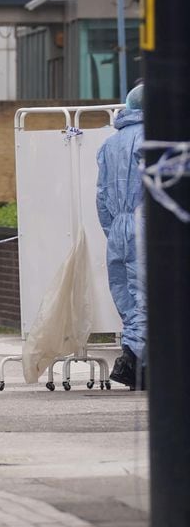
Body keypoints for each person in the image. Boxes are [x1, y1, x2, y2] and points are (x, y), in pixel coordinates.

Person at [95, 83, 147, 390]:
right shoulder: (156, 140)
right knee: (150, 297)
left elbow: (102, 197)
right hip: (150, 223)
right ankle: (133, 361)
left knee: (128, 298)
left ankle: (136, 360)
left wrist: (114, 230)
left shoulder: (110, 144)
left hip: (120, 228)